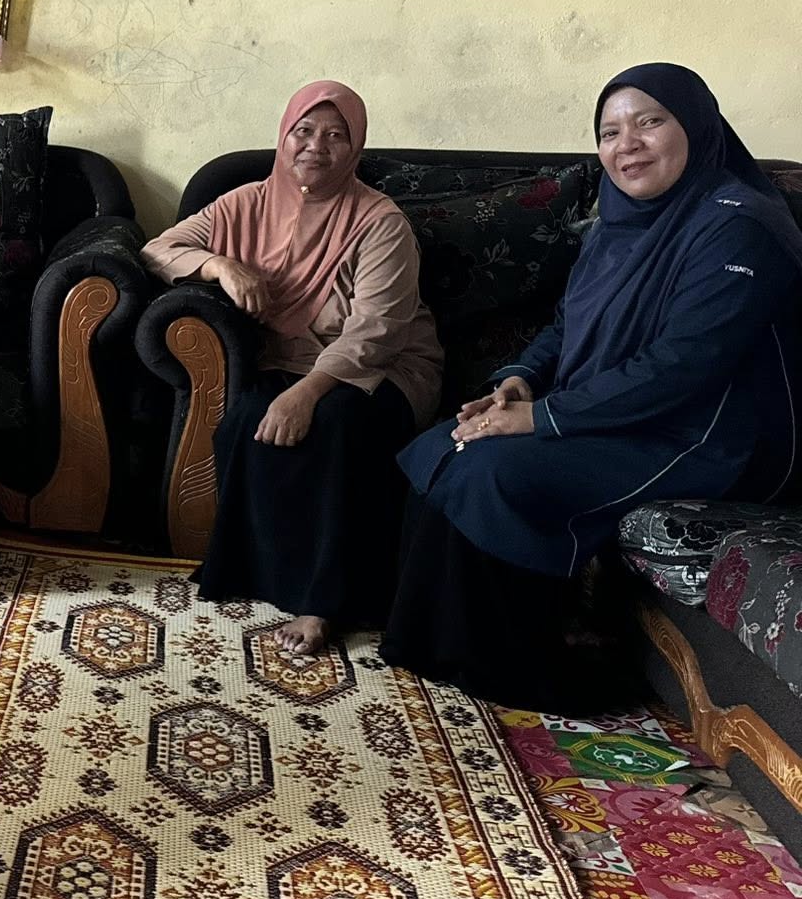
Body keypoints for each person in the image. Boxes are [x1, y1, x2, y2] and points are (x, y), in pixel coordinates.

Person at [385, 63, 802, 713]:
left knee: (498, 473)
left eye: (650, 122)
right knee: (451, 443)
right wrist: (518, 382)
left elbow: (685, 363)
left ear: (697, 126)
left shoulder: (739, 224)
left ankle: (519, 668)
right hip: (631, 414)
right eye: (610, 132)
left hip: (708, 436)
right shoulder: (621, 219)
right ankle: (433, 647)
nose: (627, 144)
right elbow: (567, 323)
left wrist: (543, 420)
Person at [143, 81, 443, 655]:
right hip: (287, 360)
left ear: (355, 149)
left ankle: (324, 602)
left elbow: (378, 330)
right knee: (245, 420)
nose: (316, 146)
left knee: (335, 427)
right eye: (303, 131)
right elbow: (158, 249)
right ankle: (251, 572)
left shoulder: (380, 221)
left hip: (385, 368)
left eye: (335, 136)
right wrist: (220, 265)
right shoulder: (244, 204)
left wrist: (306, 394)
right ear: (283, 136)